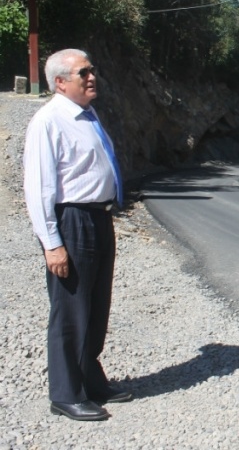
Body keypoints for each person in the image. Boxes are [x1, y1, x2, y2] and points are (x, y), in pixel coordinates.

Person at [24, 48, 131, 421]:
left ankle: (91, 378)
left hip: (99, 218)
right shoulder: (49, 120)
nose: (91, 77)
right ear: (60, 82)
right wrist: (52, 245)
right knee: (71, 310)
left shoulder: (86, 114)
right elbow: (39, 189)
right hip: (72, 221)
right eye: (82, 72)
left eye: (92, 70)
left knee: (97, 304)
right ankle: (66, 393)